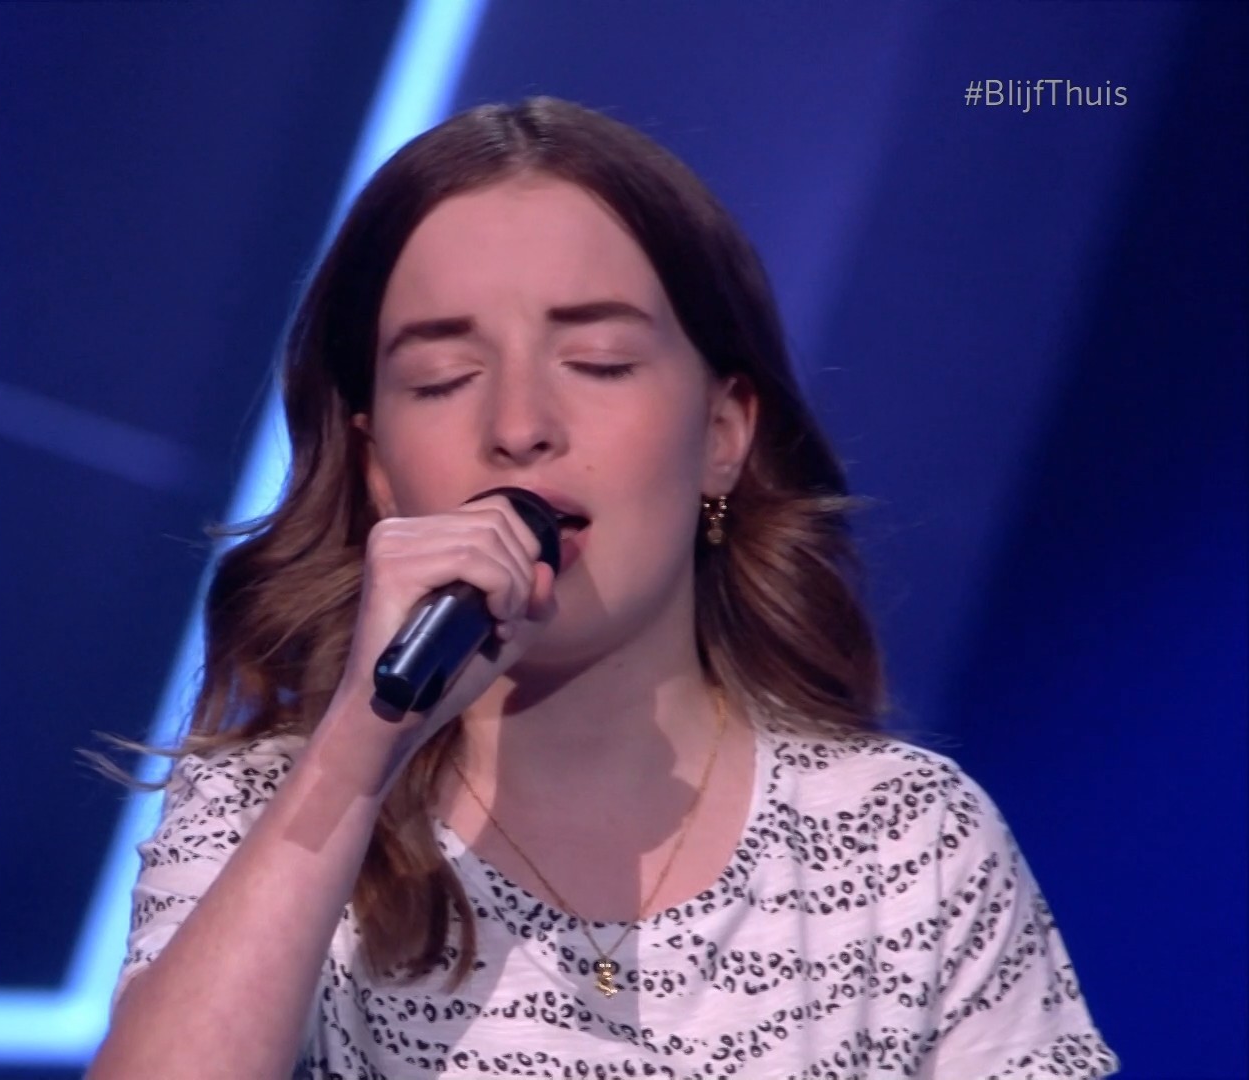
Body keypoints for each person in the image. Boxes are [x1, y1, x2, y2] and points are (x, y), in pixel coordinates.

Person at [85, 96, 1116, 1079]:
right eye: (443, 380)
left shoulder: (905, 843)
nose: (519, 426)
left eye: (599, 361)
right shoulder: (270, 812)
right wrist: (358, 753)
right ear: (377, 468)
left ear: (722, 434)